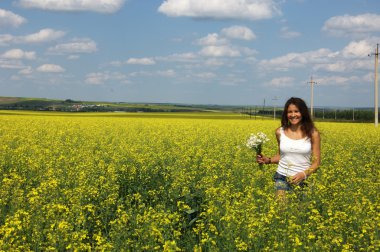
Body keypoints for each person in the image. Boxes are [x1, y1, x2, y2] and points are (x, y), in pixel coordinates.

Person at [257, 97, 321, 199]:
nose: (293, 115)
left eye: (296, 111)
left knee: (300, 212)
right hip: (281, 176)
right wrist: (268, 160)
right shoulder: (279, 132)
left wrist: (303, 174)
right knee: (280, 211)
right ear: (286, 114)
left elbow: (316, 163)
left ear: (303, 113)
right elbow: (281, 156)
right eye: (289, 112)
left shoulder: (313, 134)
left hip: (303, 179)